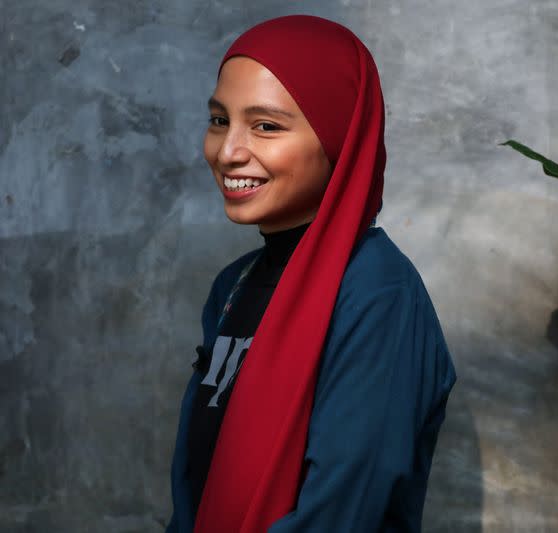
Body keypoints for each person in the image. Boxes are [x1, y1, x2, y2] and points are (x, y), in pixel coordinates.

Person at [165, 14, 457, 533]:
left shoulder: (376, 292)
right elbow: (198, 477)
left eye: (266, 126)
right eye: (218, 120)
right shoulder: (233, 286)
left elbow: (343, 511)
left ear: (337, 138)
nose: (229, 151)